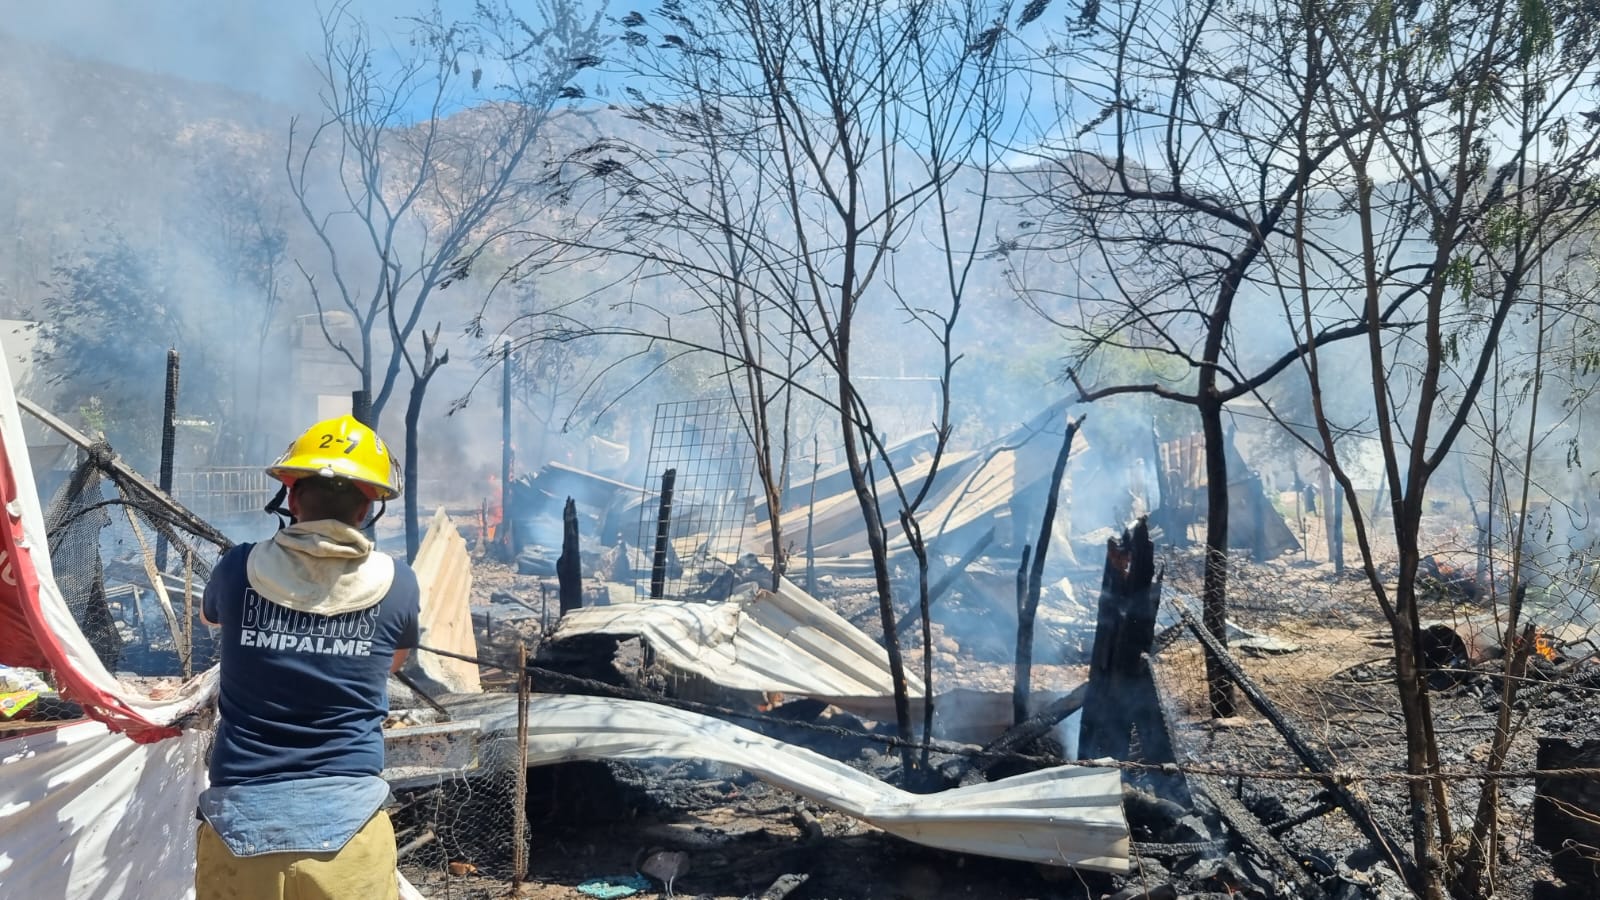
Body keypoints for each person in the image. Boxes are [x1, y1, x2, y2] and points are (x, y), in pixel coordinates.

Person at [195, 415, 420, 900]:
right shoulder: (398, 583)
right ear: (367, 508)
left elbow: (209, 618)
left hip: (239, 824)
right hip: (350, 832)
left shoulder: (238, 568)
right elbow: (391, 663)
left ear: (292, 498)